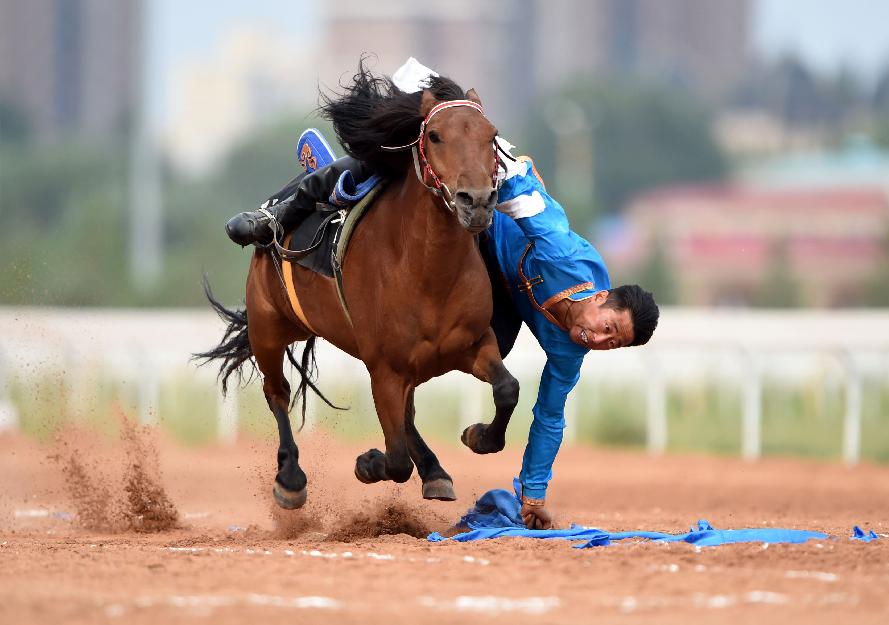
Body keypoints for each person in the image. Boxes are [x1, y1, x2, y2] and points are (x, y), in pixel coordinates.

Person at [223, 58, 659, 529]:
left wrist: (531, 497)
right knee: (389, 166)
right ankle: (287, 207)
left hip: (496, 298)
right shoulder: (563, 254)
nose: (598, 341)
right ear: (599, 299)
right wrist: (487, 173)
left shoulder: (569, 349)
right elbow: (534, 204)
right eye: (608, 328)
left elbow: (550, 418)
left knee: (490, 349)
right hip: (495, 218)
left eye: (611, 344)